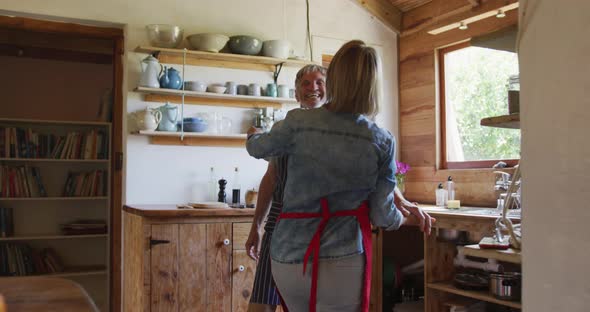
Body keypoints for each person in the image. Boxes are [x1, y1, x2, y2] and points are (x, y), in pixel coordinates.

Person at [245, 40, 433, 312]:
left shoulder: (295, 123)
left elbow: (256, 148)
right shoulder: (380, 139)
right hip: (342, 257)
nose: (314, 88)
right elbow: (382, 214)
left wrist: (253, 136)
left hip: (289, 255)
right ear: (374, 84)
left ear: (332, 79)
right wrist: (403, 216)